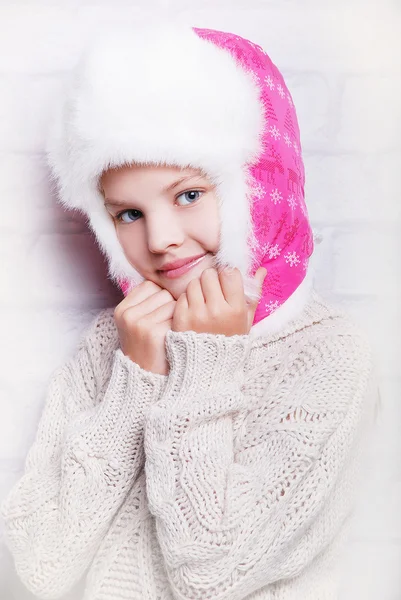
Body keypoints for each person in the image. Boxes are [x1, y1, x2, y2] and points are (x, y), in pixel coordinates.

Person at [0, 23, 379, 600]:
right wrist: (137, 381)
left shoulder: (331, 356)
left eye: (188, 195)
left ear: (256, 183)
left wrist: (207, 360)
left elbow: (209, 576)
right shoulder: (117, 342)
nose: (161, 240)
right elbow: (38, 567)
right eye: (128, 213)